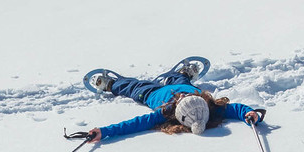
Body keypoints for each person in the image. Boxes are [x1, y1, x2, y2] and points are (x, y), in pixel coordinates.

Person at [76, 61, 265, 145]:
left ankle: (111, 84)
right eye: (189, 98)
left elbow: (136, 124)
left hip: (152, 93)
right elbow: (235, 108)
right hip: (183, 85)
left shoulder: (165, 111)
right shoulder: (211, 107)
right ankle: (182, 74)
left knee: (133, 87)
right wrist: (249, 113)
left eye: (182, 101)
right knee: (181, 81)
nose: (181, 97)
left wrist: (105, 132)